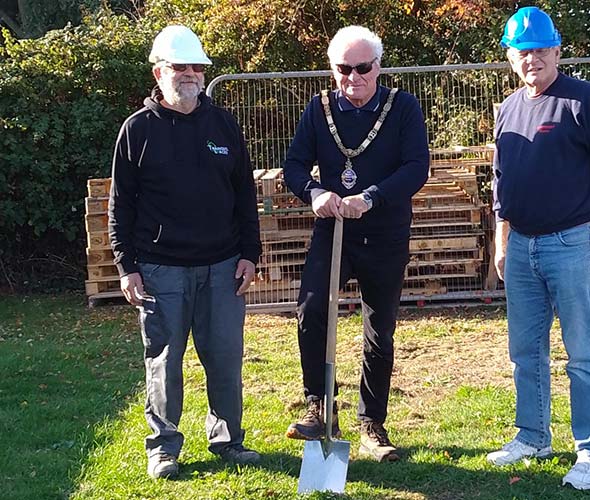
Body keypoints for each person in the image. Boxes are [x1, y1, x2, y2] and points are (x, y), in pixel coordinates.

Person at [486, 7, 590, 491]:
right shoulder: (510, 108)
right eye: (522, 51)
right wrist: (501, 238)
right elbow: (501, 182)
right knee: (524, 350)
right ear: (511, 57)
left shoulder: (583, 101)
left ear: (557, 50)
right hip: (522, 247)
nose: (532, 59)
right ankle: (532, 435)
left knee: (582, 353)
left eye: (540, 49)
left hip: (571, 243)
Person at [108, 25, 262, 480]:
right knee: (163, 361)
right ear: (159, 72)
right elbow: (121, 205)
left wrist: (250, 252)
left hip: (222, 266)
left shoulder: (223, 124)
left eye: (197, 66)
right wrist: (126, 266)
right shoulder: (136, 130)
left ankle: (229, 440)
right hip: (160, 270)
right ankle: (164, 448)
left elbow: (243, 195)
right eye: (181, 67)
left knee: (225, 356)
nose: (191, 74)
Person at [282, 25, 429, 462]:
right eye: (344, 69)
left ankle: (372, 422)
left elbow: (416, 167)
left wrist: (372, 196)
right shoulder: (319, 109)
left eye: (362, 68)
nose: (354, 77)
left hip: (383, 232)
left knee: (379, 329)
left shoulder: (402, 108)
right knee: (312, 309)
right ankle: (320, 407)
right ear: (333, 70)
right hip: (334, 230)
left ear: (377, 67)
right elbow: (293, 165)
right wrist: (315, 193)